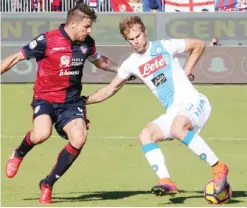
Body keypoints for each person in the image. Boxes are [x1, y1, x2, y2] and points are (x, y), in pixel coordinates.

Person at [84, 16, 229, 196]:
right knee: (146, 135)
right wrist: (84, 100)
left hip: (194, 101)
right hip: (175, 111)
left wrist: (187, 70)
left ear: (145, 32)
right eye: (131, 39)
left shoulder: (165, 46)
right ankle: (166, 181)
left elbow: (198, 45)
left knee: (178, 128)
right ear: (126, 40)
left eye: (138, 36)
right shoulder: (131, 63)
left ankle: (218, 167)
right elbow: (110, 89)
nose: (136, 41)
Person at [0, 3, 122, 204]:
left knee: (79, 137)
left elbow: (101, 61)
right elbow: (15, 59)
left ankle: (47, 183)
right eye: (86, 27)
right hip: (45, 98)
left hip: (72, 102)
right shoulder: (46, 40)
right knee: (41, 134)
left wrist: (122, 70)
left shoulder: (87, 43)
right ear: (73, 23)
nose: (89, 31)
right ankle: (18, 153)